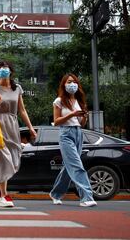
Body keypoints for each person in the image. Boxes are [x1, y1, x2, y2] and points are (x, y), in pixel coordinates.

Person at [0, 61, 37, 207]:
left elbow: (22, 110)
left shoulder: (17, 88)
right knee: (4, 160)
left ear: (11, 70)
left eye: (5, 67)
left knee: (14, 160)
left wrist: (30, 128)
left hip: (12, 126)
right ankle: (4, 195)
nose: (2, 70)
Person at [49, 73, 97, 207]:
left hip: (78, 133)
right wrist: (72, 114)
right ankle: (87, 197)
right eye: (69, 82)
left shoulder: (79, 101)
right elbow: (56, 121)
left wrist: (84, 117)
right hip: (65, 133)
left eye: (74, 82)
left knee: (68, 166)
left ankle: (56, 194)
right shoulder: (58, 101)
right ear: (64, 85)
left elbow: (81, 124)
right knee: (76, 165)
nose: (72, 84)